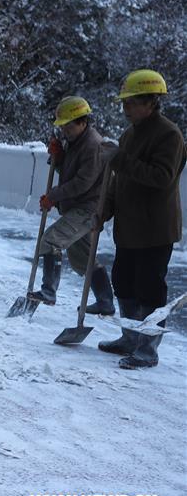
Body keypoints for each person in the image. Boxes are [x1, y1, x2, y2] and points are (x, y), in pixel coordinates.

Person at [98, 70, 185, 369]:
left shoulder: (169, 135)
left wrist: (119, 159)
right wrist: (105, 210)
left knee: (150, 288)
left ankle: (147, 349)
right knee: (123, 282)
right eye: (125, 103)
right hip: (129, 226)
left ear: (151, 102)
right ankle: (130, 337)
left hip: (154, 228)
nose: (126, 109)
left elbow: (161, 178)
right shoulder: (129, 134)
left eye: (131, 103)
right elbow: (118, 180)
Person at [26, 96, 113, 315]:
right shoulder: (75, 141)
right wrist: (59, 156)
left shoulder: (93, 145)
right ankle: (106, 302)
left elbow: (82, 183)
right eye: (62, 125)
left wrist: (54, 196)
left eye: (68, 125)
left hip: (88, 209)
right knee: (83, 258)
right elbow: (68, 172)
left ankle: (48, 291)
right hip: (77, 207)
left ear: (82, 122)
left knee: (51, 240)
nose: (64, 130)